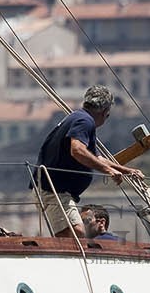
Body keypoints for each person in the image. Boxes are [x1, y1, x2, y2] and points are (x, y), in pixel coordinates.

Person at [29, 85, 144, 239]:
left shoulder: (78, 117)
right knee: (76, 234)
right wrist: (109, 171)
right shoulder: (85, 121)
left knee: (75, 234)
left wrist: (126, 170)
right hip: (53, 190)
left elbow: (96, 158)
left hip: (52, 189)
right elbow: (77, 150)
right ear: (105, 112)